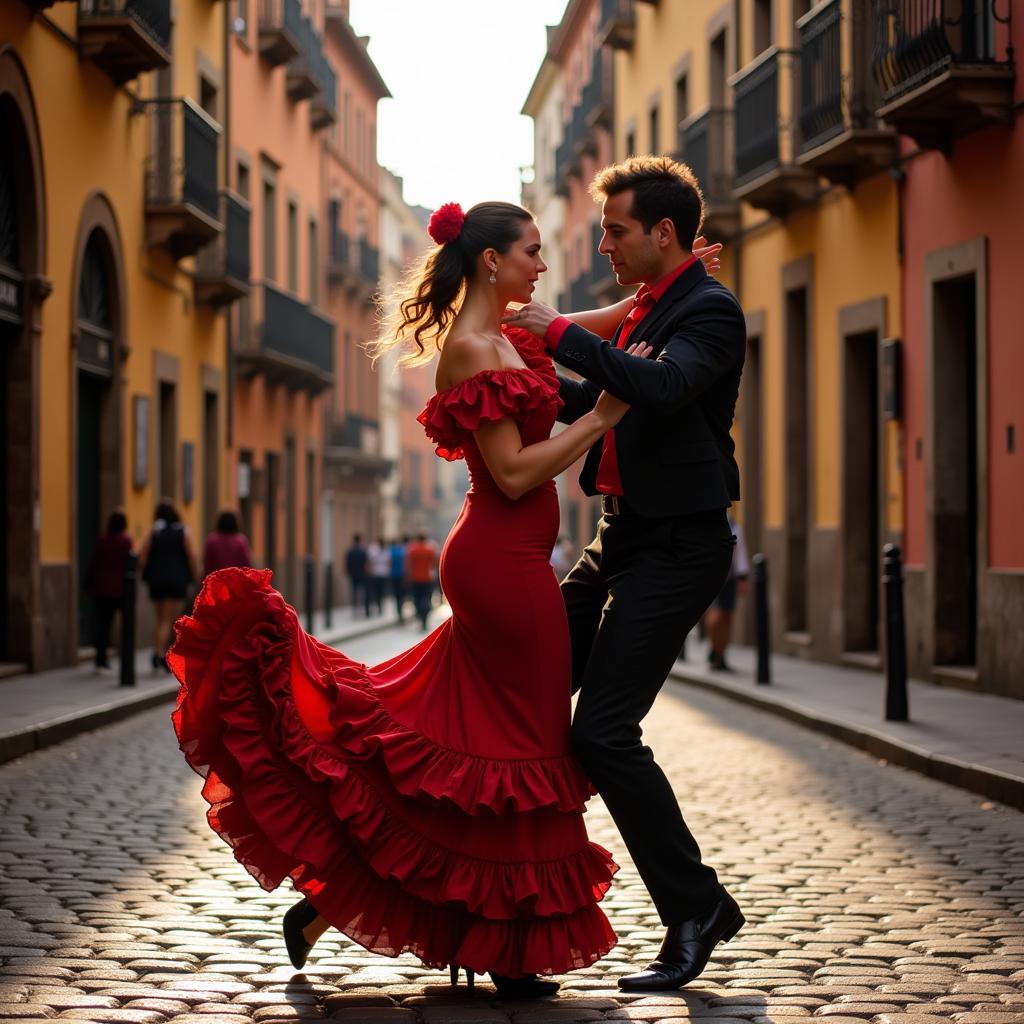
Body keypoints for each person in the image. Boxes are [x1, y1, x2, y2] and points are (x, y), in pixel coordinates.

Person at [169, 200, 666, 999]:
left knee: (459, 750)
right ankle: (509, 948)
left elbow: (585, 320)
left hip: (506, 561)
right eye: (531, 252)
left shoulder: (506, 335)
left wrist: (665, 290)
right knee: (527, 747)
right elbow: (512, 473)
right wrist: (604, 416)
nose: (542, 266)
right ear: (491, 263)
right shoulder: (473, 351)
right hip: (503, 568)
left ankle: (338, 906)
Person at [509, 155, 747, 992]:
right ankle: (478, 894)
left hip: (682, 546)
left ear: (664, 234)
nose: (604, 243)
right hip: (623, 534)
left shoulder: (710, 312)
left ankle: (696, 908)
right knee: (521, 690)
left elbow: (663, 387)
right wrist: (513, 376)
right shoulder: (650, 304)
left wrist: (559, 336)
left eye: (615, 230)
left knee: (602, 732)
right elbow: (593, 400)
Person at [140, 500, 197, 673]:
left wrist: (145, 572)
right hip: (176, 580)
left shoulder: (154, 531)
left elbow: (143, 553)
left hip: (156, 580)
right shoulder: (183, 531)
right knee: (168, 620)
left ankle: (157, 651)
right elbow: (191, 556)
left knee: (160, 619)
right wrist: (195, 576)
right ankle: (160, 654)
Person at [83, 509, 134, 675]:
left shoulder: (103, 540)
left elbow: (93, 564)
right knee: (125, 625)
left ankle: (100, 659)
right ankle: (124, 661)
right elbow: (131, 564)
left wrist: (87, 585)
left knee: (103, 625)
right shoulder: (126, 541)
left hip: (102, 589)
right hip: (121, 590)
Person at [705, 516, 749, 671]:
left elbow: (740, 552)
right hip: (713, 577)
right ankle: (714, 647)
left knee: (728, 616)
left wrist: (742, 578)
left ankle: (721, 654)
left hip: (729, 579)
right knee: (716, 615)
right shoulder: (706, 525)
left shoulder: (735, 527)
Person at [203, 510, 253, 577]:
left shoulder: (212, 540)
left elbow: (207, 564)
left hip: (217, 581)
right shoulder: (240, 541)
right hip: (236, 580)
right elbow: (246, 563)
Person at [404, 533, 438, 630]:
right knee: (427, 598)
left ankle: (419, 613)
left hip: (415, 579)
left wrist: (407, 577)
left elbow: (408, 565)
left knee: (416, 599)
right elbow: (434, 564)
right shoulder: (429, 550)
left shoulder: (412, 550)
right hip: (427, 579)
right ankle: (425, 617)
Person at [344, 534, 370, 616]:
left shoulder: (350, 552)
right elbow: (367, 563)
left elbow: (347, 564)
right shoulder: (363, 551)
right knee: (364, 592)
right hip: (363, 574)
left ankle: (355, 609)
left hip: (354, 574)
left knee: (354, 592)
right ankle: (365, 610)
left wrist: (348, 572)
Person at [367, 536, 390, 616]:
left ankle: (378, 605)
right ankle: (379, 606)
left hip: (377, 573)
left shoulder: (374, 550)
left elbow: (370, 561)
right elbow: (388, 562)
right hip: (382, 573)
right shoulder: (384, 550)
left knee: (376, 591)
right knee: (380, 591)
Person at [388, 537, 408, 622]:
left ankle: (399, 613)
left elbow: (389, 563)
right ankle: (401, 612)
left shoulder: (391, 552)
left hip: (394, 576)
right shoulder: (403, 552)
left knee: (396, 595)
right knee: (402, 596)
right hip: (402, 576)